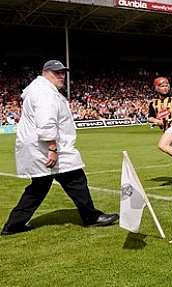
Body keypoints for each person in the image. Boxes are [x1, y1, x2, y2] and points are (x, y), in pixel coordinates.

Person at [2, 60, 118, 235]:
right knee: (76, 179)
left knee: (40, 186)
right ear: (45, 73)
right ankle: (91, 217)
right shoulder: (44, 93)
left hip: (39, 147)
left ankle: (13, 225)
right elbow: (46, 122)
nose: (62, 76)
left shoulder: (40, 90)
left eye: (63, 72)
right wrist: (53, 149)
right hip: (46, 148)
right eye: (57, 73)